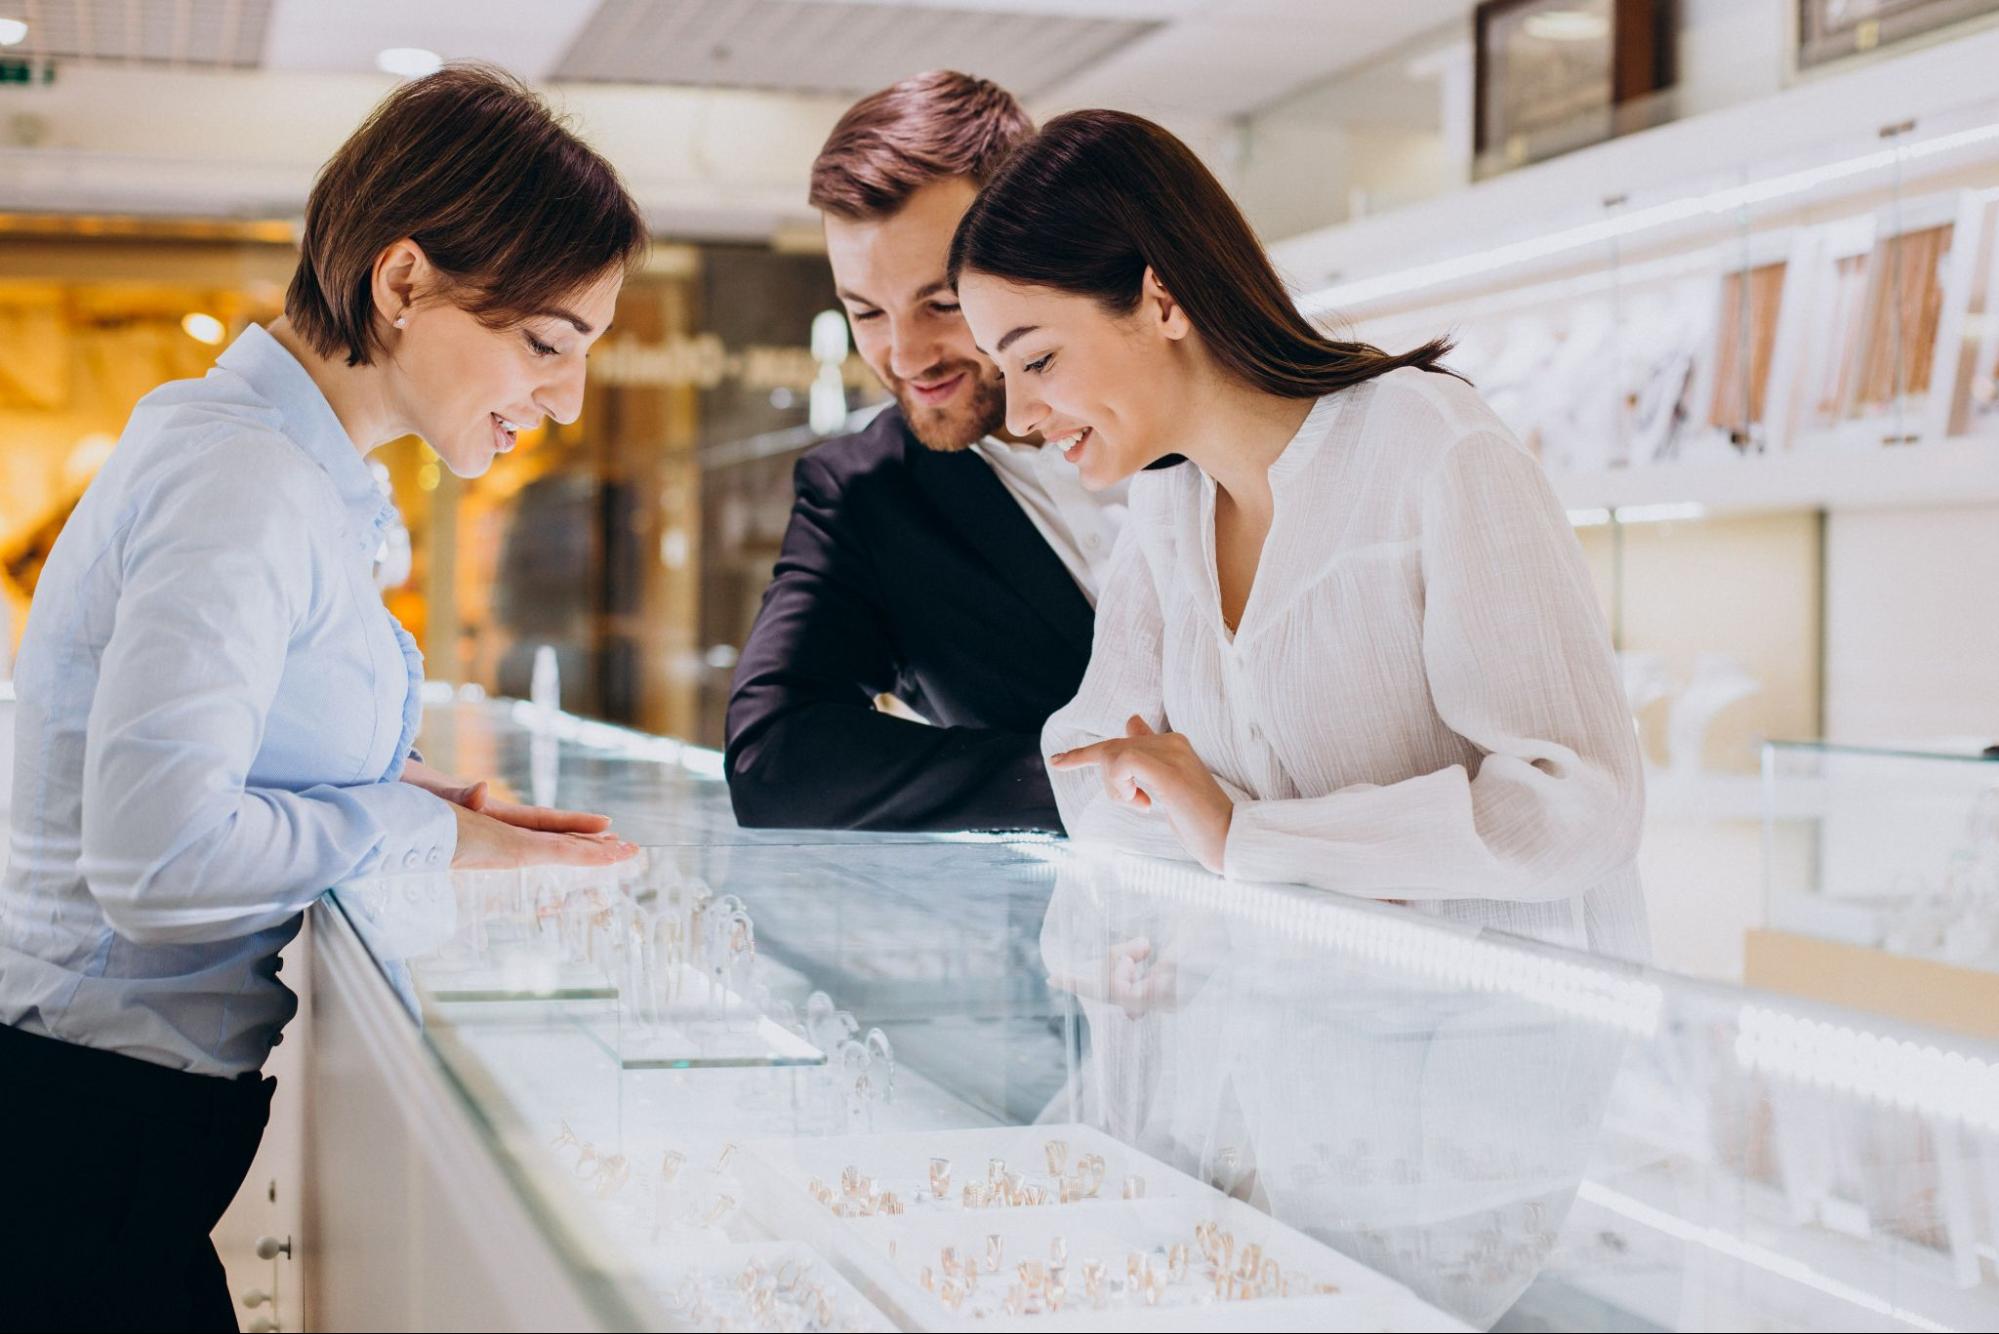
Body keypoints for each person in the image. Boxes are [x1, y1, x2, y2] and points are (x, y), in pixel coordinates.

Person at [0, 65, 644, 1330]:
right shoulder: (246, 479)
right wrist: (435, 832)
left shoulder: (276, 466)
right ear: (401, 283)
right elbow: (158, 853)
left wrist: (422, 792)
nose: (564, 397)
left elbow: (228, 744)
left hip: (103, 1128)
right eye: (544, 342)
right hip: (77, 1128)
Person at [951, 110, 1648, 961]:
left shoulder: (1429, 446)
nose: (1019, 416)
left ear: (1160, 298)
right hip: (1282, 1045)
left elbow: (1576, 806)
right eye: (1002, 372)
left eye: (1038, 360)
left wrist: (1242, 835)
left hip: (1485, 1058)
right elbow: (1089, 778)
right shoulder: (1166, 509)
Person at [724, 71, 1129, 833]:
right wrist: (1091, 786)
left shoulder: (1189, 418)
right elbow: (773, 759)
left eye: (942, 302)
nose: (906, 356)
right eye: (866, 312)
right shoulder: (866, 493)